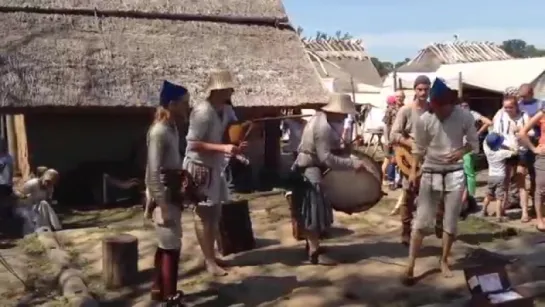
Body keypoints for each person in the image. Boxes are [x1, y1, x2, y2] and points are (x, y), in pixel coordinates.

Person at [403, 78, 479, 284]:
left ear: (450, 104)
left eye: (440, 107)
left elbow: (473, 143)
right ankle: (410, 264)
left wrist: (461, 152)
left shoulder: (464, 116)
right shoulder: (424, 119)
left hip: (455, 172)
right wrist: (412, 172)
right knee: (421, 221)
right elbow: (418, 148)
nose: (437, 110)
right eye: (433, 106)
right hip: (430, 170)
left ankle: (444, 260)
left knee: (451, 221)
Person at [292, 93, 367, 265]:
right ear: (337, 111)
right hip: (310, 168)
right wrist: (352, 164)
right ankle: (314, 252)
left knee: (314, 211)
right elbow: (326, 158)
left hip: (311, 166)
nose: (346, 116)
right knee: (314, 211)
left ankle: (312, 246)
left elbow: (328, 150)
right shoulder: (323, 127)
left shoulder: (323, 119)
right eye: (344, 113)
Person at [184, 69, 245, 276]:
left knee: (215, 214)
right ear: (218, 89)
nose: (231, 90)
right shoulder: (202, 112)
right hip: (200, 167)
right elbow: (192, 144)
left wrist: (237, 142)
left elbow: (232, 132)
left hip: (216, 166)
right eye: (227, 87)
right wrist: (223, 148)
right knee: (203, 215)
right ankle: (209, 261)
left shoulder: (226, 110)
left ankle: (211, 255)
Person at [146, 80, 190, 305]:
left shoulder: (172, 128)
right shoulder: (159, 131)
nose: (187, 107)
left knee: (168, 243)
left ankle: (158, 288)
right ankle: (169, 297)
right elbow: (153, 173)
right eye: (184, 103)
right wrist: (162, 205)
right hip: (163, 192)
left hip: (172, 191)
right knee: (171, 246)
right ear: (171, 104)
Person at [390, 76, 430, 246]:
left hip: (428, 159)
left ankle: (421, 230)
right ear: (415, 90)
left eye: (426, 89)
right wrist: (410, 143)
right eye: (419, 89)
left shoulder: (433, 111)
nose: (422, 92)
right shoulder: (405, 111)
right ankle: (406, 231)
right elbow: (393, 135)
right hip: (408, 158)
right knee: (408, 195)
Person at [492, 96, 531, 221]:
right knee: (505, 181)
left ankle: (525, 212)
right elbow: (496, 133)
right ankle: (502, 208)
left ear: (516, 106)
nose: (508, 110)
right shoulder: (501, 116)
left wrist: (520, 130)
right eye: (506, 107)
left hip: (521, 151)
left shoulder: (524, 116)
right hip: (506, 151)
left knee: (520, 180)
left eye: (511, 107)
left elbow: (532, 133)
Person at [519, 100, 545, 232]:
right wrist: (534, 149)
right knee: (540, 189)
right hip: (543, 156)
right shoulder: (542, 113)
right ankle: (540, 219)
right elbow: (523, 132)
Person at [481, 133, 518, 221]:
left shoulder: (488, 151)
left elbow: (485, 142)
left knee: (489, 194)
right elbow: (515, 152)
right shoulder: (502, 153)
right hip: (500, 177)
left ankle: (483, 211)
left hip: (491, 176)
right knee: (499, 197)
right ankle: (498, 216)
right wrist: (510, 147)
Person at [460, 101, 492, 197]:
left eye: (466, 106)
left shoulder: (473, 114)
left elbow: (488, 122)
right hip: (459, 147)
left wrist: (477, 133)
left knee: (469, 172)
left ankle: (470, 196)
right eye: (462, 106)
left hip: (469, 147)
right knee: (462, 172)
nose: (463, 107)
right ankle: (465, 195)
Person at [518, 83, 542, 211]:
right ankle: (523, 205)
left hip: (537, 141)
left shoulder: (540, 104)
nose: (523, 99)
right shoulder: (518, 105)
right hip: (522, 143)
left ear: (531, 93)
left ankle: (536, 203)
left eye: (525, 96)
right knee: (521, 175)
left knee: (535, 175)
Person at [0, 140, 14, 218]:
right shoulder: (9, 157)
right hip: (7, 183)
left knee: (4, 201)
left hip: (3, 183)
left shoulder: (5, 158)